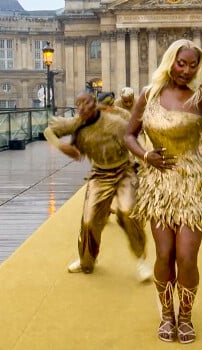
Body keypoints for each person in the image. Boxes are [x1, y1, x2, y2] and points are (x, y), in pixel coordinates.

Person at [124, 39, 202, 344]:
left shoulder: (201, 97)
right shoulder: (149, 95)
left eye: (193, 65)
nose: (186, 70)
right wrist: (145, 155)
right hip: (158, 185)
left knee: (187, 256)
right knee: (165, 253)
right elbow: (129, 135)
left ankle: (186, 316)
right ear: (169, 62)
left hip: (192, 184)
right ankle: (167, 315)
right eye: (181, 63)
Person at [44, 91, 153, 283]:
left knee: (128, 213)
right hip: (100, 174)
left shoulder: (116, 123)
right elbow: (49, 131)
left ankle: (140, 260)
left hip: (123, 171)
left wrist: (143, 163)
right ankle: (87, 260)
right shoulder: (76, 123)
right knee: (89, 221)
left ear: (94, 104)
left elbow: (132, 139)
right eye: (78, 104)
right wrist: (62, 147)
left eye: (86, 103)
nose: (82, 108)